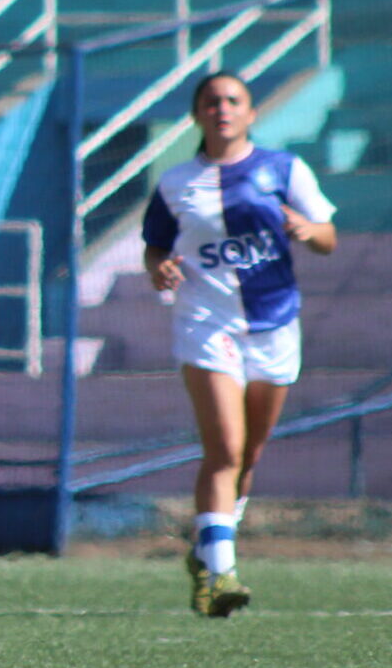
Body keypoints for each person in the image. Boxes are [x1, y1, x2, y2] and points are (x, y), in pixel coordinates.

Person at [142, 72, 338, 617]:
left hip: (274, 324)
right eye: (211, 102)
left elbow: (328, 238)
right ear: (196, 115)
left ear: (251, 113)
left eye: (233, 101)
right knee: (225, 448)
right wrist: (160, 270)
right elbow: (155, 246)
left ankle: (206, 549)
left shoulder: (284, 169)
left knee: (248, 455)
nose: (222, 109)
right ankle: (221, 576)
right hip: (207, 322)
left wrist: (306, 230)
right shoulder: (177, 182)